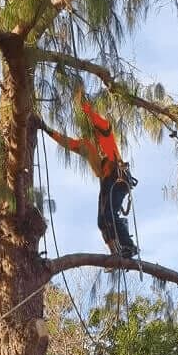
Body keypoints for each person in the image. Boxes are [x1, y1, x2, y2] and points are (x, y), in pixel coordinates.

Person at [34, 94, 138, 258]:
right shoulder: (87, 146)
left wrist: (81, 100)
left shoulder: (105, 133)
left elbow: (97, 120)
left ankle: (129, 246)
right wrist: (46, 129)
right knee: (102, 222)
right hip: (105, 182)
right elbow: (67, 142)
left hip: (117, 177)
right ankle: (116, 253)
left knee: (110, 215)